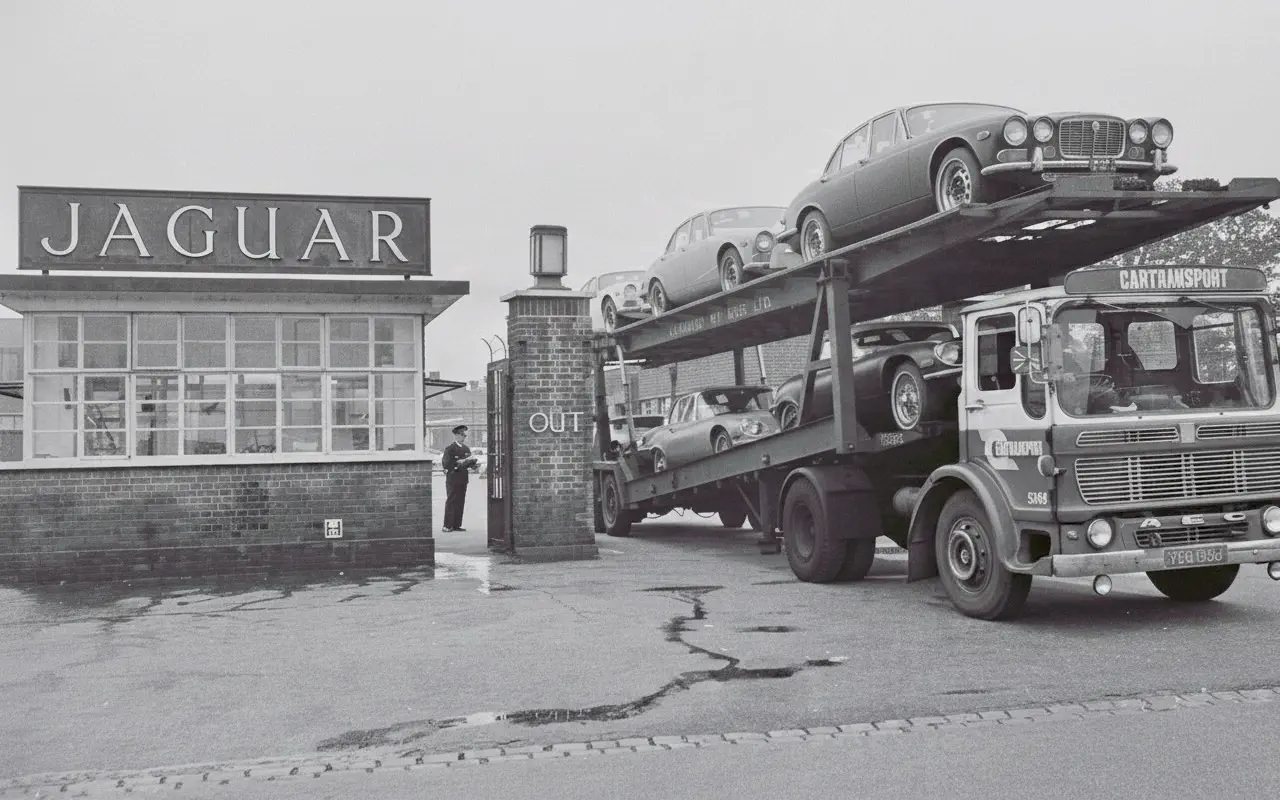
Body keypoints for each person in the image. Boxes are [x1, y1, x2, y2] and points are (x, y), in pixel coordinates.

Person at [441, 425, 477, 532]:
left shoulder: (466, 449)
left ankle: (456, 525)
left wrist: (473, 464)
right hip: (453, 478)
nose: (464, 437)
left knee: (460, 502)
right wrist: (458, 464)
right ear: (456, 435)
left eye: (465, 435)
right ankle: (447, 525)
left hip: (463, 479)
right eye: (462, 435)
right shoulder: (450, 449)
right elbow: (446, 464)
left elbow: (469, 463)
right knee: (451, 501)